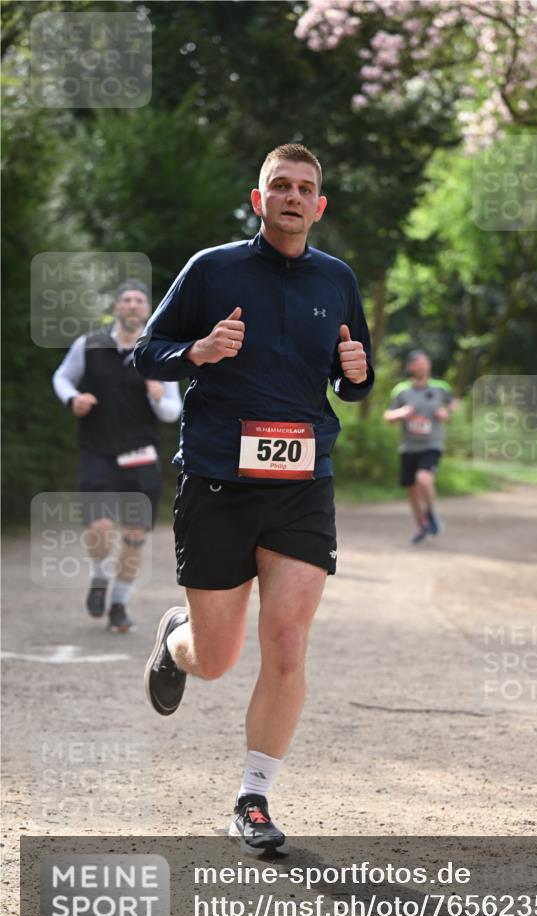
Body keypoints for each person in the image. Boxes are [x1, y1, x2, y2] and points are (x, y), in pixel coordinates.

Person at [134, 144, 373, 855]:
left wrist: (356, 376)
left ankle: (254, 796)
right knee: (217, 657)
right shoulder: (212, 269)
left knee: (289, 643)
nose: (293, 197)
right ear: (257, 197)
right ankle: (177, 645)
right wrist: (198, 353)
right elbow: (148, 353)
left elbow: (352, 375)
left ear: (319, 205)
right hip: (217, 483)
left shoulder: (336, 278)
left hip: (302, 486)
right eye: (280, 186)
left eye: (305, 188)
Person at [52, 280, 182, 632]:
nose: (132, 305)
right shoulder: (90, 344)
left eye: (139, 300)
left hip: (141, 457)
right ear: (116, 307)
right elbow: (62, 377)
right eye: (126, 299)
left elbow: (174, 411)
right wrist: (72, 399)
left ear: (147, 309)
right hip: (98, 452)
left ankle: (120, 605)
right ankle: (98, 576)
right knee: (100, 528)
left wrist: (159, 397)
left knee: (135, 536)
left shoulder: (157, 353)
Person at [384, 350, 455, 543]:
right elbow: (388, 416)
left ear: (429, 366)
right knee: (413, 491)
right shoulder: (401, 391)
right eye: (418, 363)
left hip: (432, 444)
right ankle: (421, 526)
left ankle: (431, 512)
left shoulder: (441, 388)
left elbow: (453, 403)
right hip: (408, 447)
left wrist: (445, 412)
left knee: (423, 479)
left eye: (425, 362)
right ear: (410, 367)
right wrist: (401, 413)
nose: (422, 365)